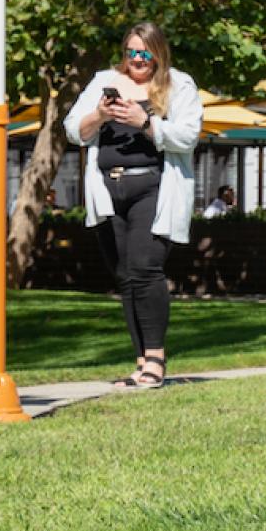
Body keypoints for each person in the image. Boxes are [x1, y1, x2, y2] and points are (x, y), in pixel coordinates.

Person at [64, 22, 205, 390]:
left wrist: (146, 123)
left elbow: (188, 135)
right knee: (125, 276)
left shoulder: (179, 85)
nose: (138, 60)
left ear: (158, 54)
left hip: (153, 188)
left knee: (145, 269)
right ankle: (141, 361)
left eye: (145, 54)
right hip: (108, 190)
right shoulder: (101, 81)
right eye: (132, 53)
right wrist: (101, 115)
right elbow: (72, 129)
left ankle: (156, 359)